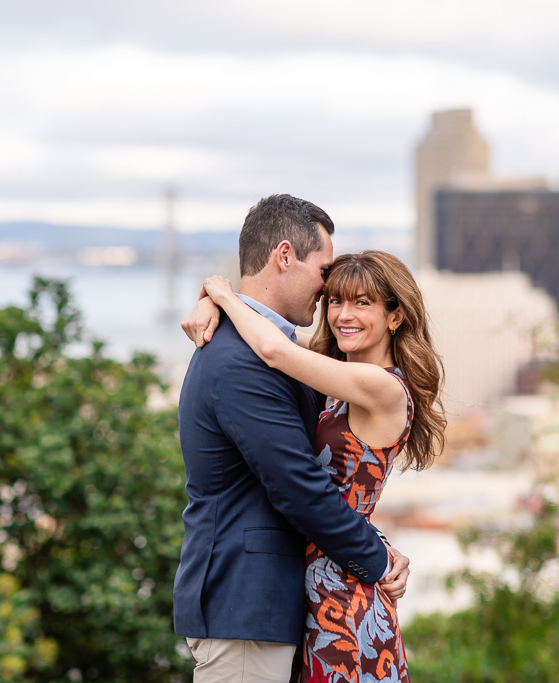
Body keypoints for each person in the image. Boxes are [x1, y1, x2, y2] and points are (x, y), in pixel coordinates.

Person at [173, 195, 411, 683]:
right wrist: (377, 556)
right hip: (247, 601)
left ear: (394, 316)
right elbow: (300, 485)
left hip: (317, 598)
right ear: (285, 256)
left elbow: (330, 478)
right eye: (326, 275)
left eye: (360, 302)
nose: (329, 296)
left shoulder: (336, 372)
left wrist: (218, 295)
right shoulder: (242, 358)